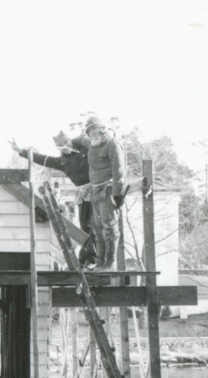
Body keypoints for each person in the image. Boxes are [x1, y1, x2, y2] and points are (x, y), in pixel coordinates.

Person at [11, 132, 98, 267]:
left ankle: (93, 257)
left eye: (66, 143)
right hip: (83, 195)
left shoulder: (84, 149)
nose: (65, 146)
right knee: (85, 226)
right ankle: (87, 257)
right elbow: (41, 158)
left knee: (96, 225)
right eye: (61, 146)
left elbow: (91, 142)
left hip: (97, 191)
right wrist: (21, 151)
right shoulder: (62, 162)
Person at [82, 115, 126, 270]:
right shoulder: (91, 145)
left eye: (96, 128)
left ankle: (110, 263)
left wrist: (117, 193)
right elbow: (79, 140)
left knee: (109, 226)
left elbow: (119, 170)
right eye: (90, 129)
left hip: (108, 189)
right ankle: (100, 262)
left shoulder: (112, 144)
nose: (93, 131)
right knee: (97, 227)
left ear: (102, 128)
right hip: (95, 191)